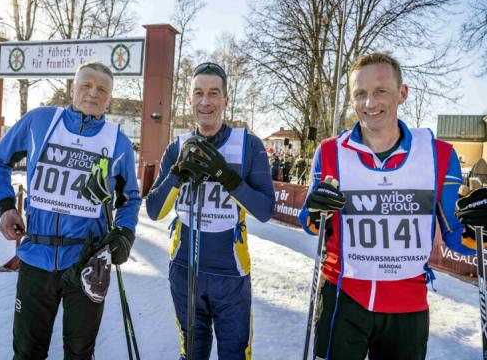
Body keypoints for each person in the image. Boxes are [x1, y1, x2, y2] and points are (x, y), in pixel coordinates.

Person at [299, 52, 487, 360]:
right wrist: (316, 209)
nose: (369, 103)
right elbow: (311, 223)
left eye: (380, 91)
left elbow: (456, 235)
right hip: (342, 298)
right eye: (360, 94)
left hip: (407, 305)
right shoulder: (330, 152)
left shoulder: (438, 154)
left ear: (402, 94)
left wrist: (482, 226)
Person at [0, 62, 141, 359]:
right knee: (27, 352)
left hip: (88, 261)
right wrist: (6, 206)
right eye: (86, 85)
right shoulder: (40, 121)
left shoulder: (117, 141)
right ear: (72, 89)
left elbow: (131, 197)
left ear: (109, 98)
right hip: (37, 256)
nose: (93, 93)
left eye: (102, 90)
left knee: (80, 352)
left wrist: (124, 232)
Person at [146, 62, 275, 360]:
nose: (206, 101)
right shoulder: (177, 146)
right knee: (191, 353)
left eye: (213, 93)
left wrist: (226, 176)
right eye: (198, 93)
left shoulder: (248, 145)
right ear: (189, 99)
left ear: (226, 100)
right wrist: (177, 174)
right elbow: (154, 210)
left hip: (230, 273)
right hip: (183, 269)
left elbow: (265, 210)